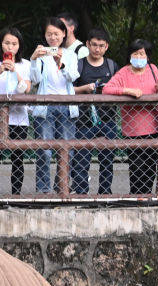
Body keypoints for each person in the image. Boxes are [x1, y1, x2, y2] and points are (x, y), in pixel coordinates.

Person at [102, 39, 158, 194]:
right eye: (135, 53)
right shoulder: (124, 72)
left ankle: (147, 197)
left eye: (142, 53)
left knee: (150, 167)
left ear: (148, 56)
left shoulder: (153, 69)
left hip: (153, 127)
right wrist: (127, 91)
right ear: (130, 55)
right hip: (132, 130)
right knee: (136, 167)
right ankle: (136, 197)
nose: (139, 56)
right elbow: (107, 89)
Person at [30, 17, 79, 194]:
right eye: (49, 34)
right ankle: (43, 190)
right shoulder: (41, 55)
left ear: (64, 34)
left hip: (67, 106)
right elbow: (34, 80)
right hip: (45, 107)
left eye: (56, 33)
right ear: (45, 35)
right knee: (44, 151)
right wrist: (34, 59)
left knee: (67, 151)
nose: (53, 37)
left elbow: (73, 77)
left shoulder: (71, 55)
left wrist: (61, 64)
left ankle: (62, 187)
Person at [0, 27, 32, 195]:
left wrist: (14, 71)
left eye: (14, 44)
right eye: (7, 43)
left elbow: (26, 89)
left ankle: (16, 194)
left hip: (19, 118)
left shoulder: (25, 65)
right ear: (1, 44)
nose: (10, 47)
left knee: (18, 158)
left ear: (19, 45)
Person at [71, 27, 119, 194]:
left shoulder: (112, 66)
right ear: (87, 45)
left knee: (107, 160)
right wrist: (84, 88)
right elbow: (69, 90)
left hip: (108, 119)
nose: (97, 49)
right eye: (94, 45)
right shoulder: (79, 65)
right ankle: (82, 194)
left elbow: (119, 88)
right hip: (83, 120)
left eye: (101, 45)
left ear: (106, 46)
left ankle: (105, 194)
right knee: (81, 160)